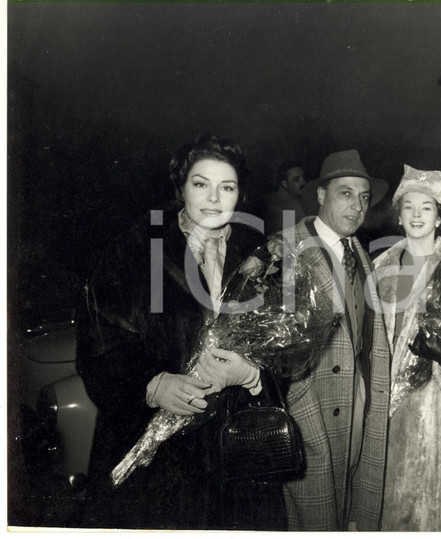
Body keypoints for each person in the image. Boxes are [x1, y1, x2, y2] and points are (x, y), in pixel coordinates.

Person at [76, 135, 286, 529]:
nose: (213, 198)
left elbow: (286, 351)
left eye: (227, 187)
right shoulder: (135, 252)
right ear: (181, 188)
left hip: (236, 461)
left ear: (239, 196)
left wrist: (254, 376)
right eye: (200, 183)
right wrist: (153, 385)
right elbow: (99, 347)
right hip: (160, 468)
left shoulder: (261, 259)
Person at [279, 149, 391, 531]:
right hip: (309, 410)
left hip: (357, 401)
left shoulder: (360, 254)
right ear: (321, 196)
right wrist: (299, 407)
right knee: (312, 516)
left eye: (364, 197)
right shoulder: (286, 250)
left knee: (349, 509)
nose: (358, 206)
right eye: (346, 193)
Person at [373, 166, 441, 531]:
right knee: (384, 500)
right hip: (383, 403)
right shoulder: (379, 266)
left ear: (439, 216)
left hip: (433, 405)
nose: (417, 215)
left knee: (427, 503)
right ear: (398, 215)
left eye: (427, 207)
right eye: (409, 207)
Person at [263, 160, 306, 233]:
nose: (303, 182)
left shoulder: (301, 197)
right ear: (284, 184)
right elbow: (290, 239)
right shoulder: (283, 207)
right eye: (296, 179)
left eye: (303, 177)